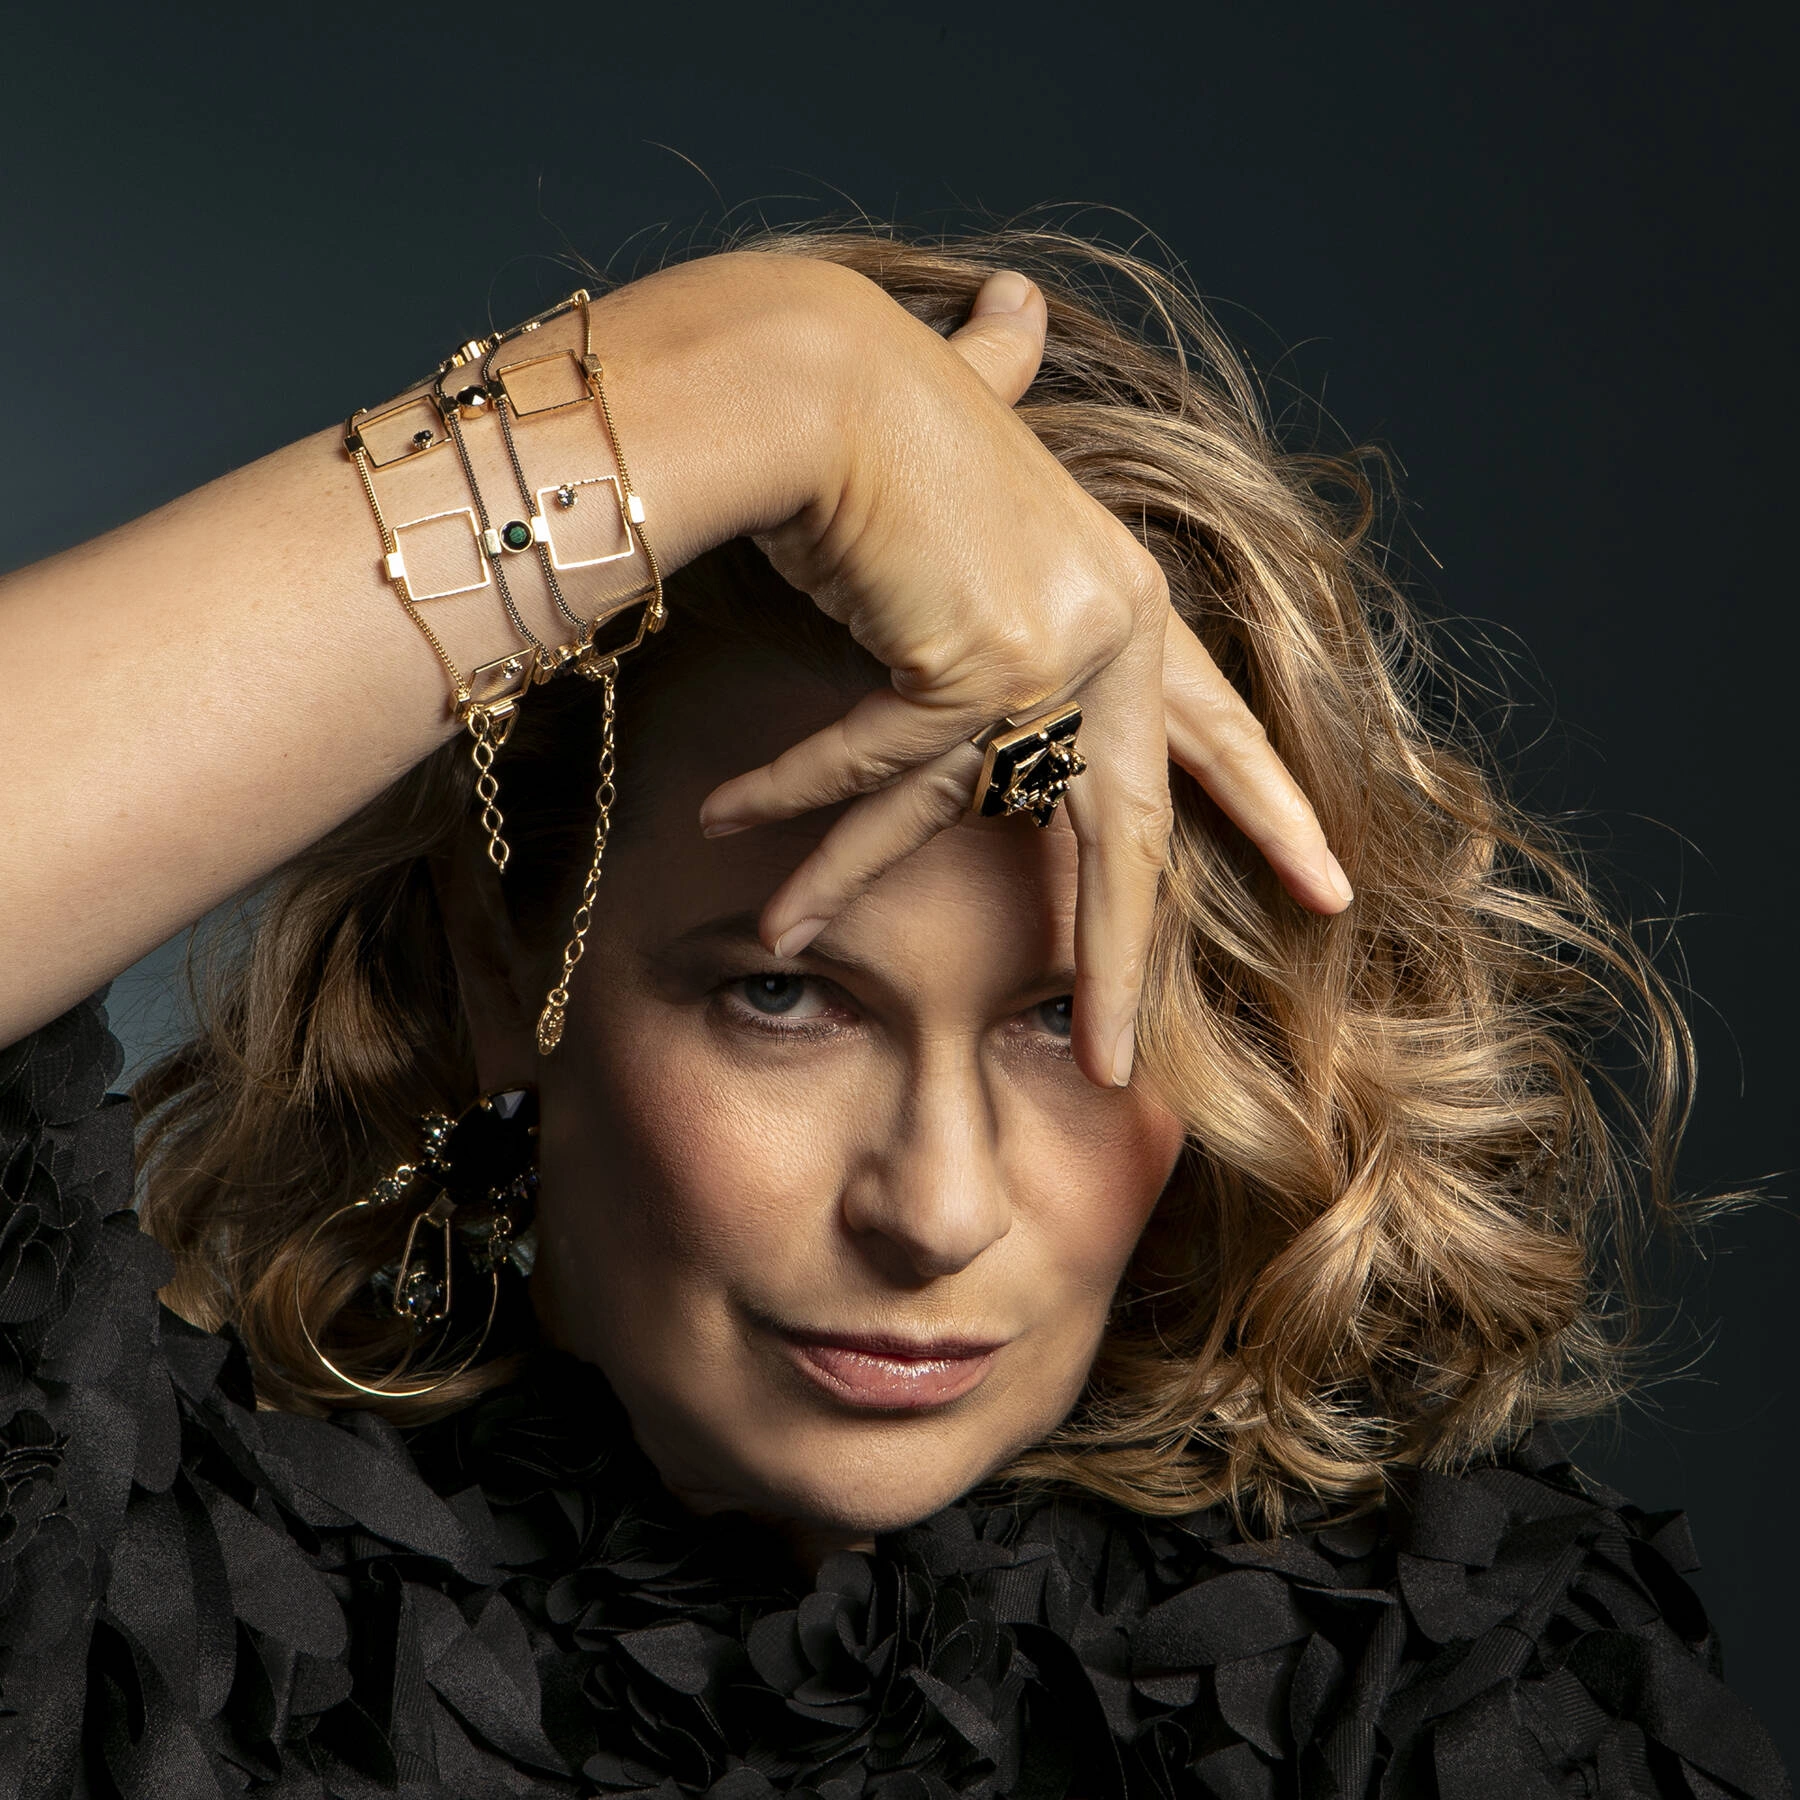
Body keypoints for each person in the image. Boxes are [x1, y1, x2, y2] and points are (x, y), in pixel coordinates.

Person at [0, 226, 1783, 1799]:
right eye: (785, 997)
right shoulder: (147, 1618)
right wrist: (773, 377)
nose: (934, 1212)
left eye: (1069, 1015)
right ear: (502, 968)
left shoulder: (1441, 1695)